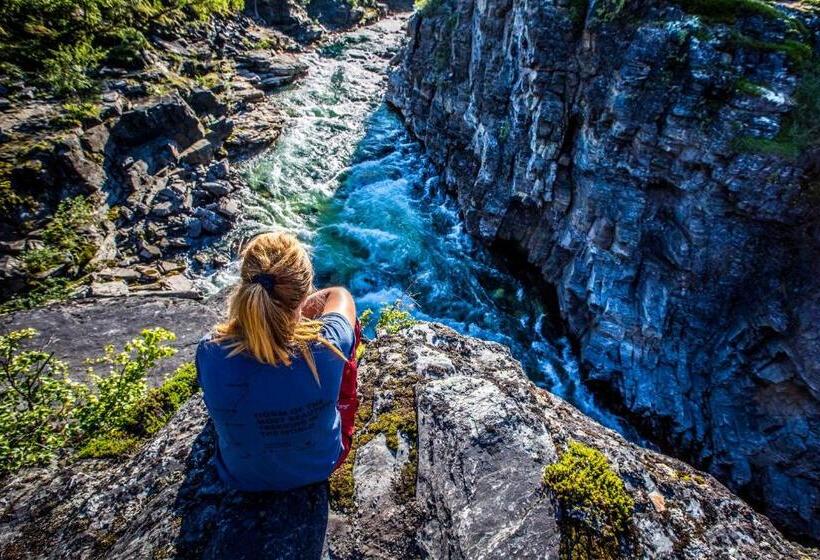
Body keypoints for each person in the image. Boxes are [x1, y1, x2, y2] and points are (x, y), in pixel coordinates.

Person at [196, 231, 360, 492]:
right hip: (320, 465)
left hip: (240, 475)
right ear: (304, 291)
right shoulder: (328, 344)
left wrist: (272, 315)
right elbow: (339, 296)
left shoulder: (211, 350)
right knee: (352, 332)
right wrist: (291, 312)